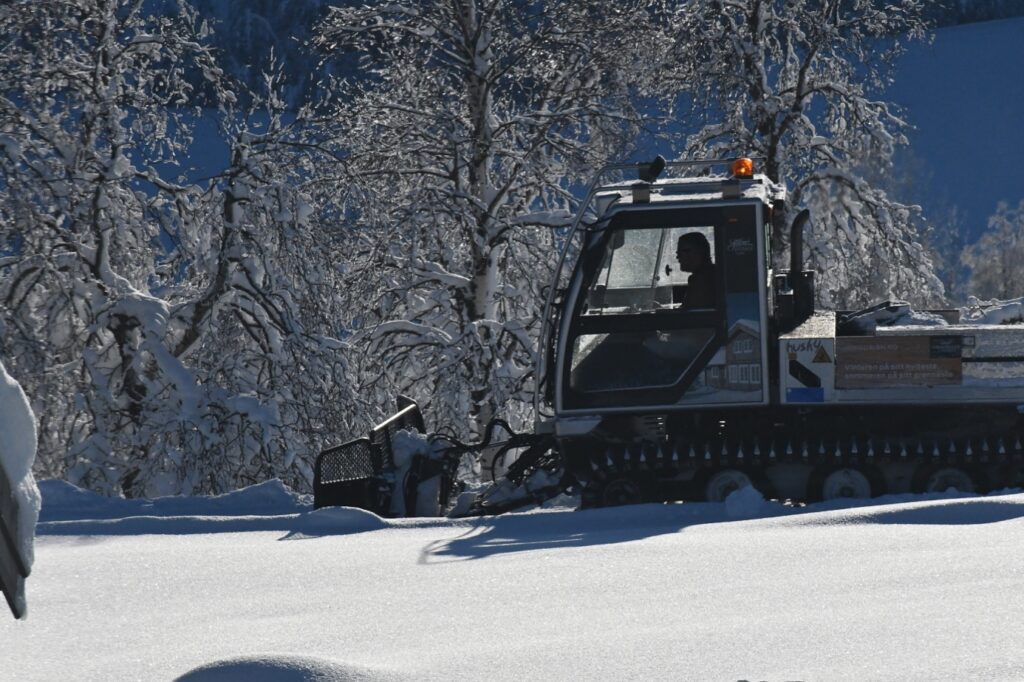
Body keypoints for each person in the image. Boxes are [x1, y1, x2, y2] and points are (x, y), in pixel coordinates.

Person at [675, 232, 716, 309]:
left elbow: (691, 313)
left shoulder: (702, 280)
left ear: (696, 253)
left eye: (680, 253)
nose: (677, 257)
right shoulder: (711, 274)